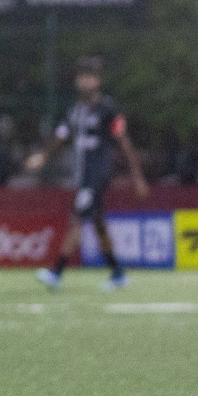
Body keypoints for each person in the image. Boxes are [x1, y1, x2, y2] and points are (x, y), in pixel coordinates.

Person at [26, 55, 149, 290]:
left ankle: (56, 272)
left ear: (97, 81)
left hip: (97, 175)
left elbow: (123, 142)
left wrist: (138, 177)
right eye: (81, 77)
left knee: (77, 219)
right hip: (83, 176)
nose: (84, 82)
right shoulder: (74, 111)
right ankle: (118, 274)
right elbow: (61, 137)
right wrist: (42, 156)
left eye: (89, 77)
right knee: (98, 223)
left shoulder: (108, 109)